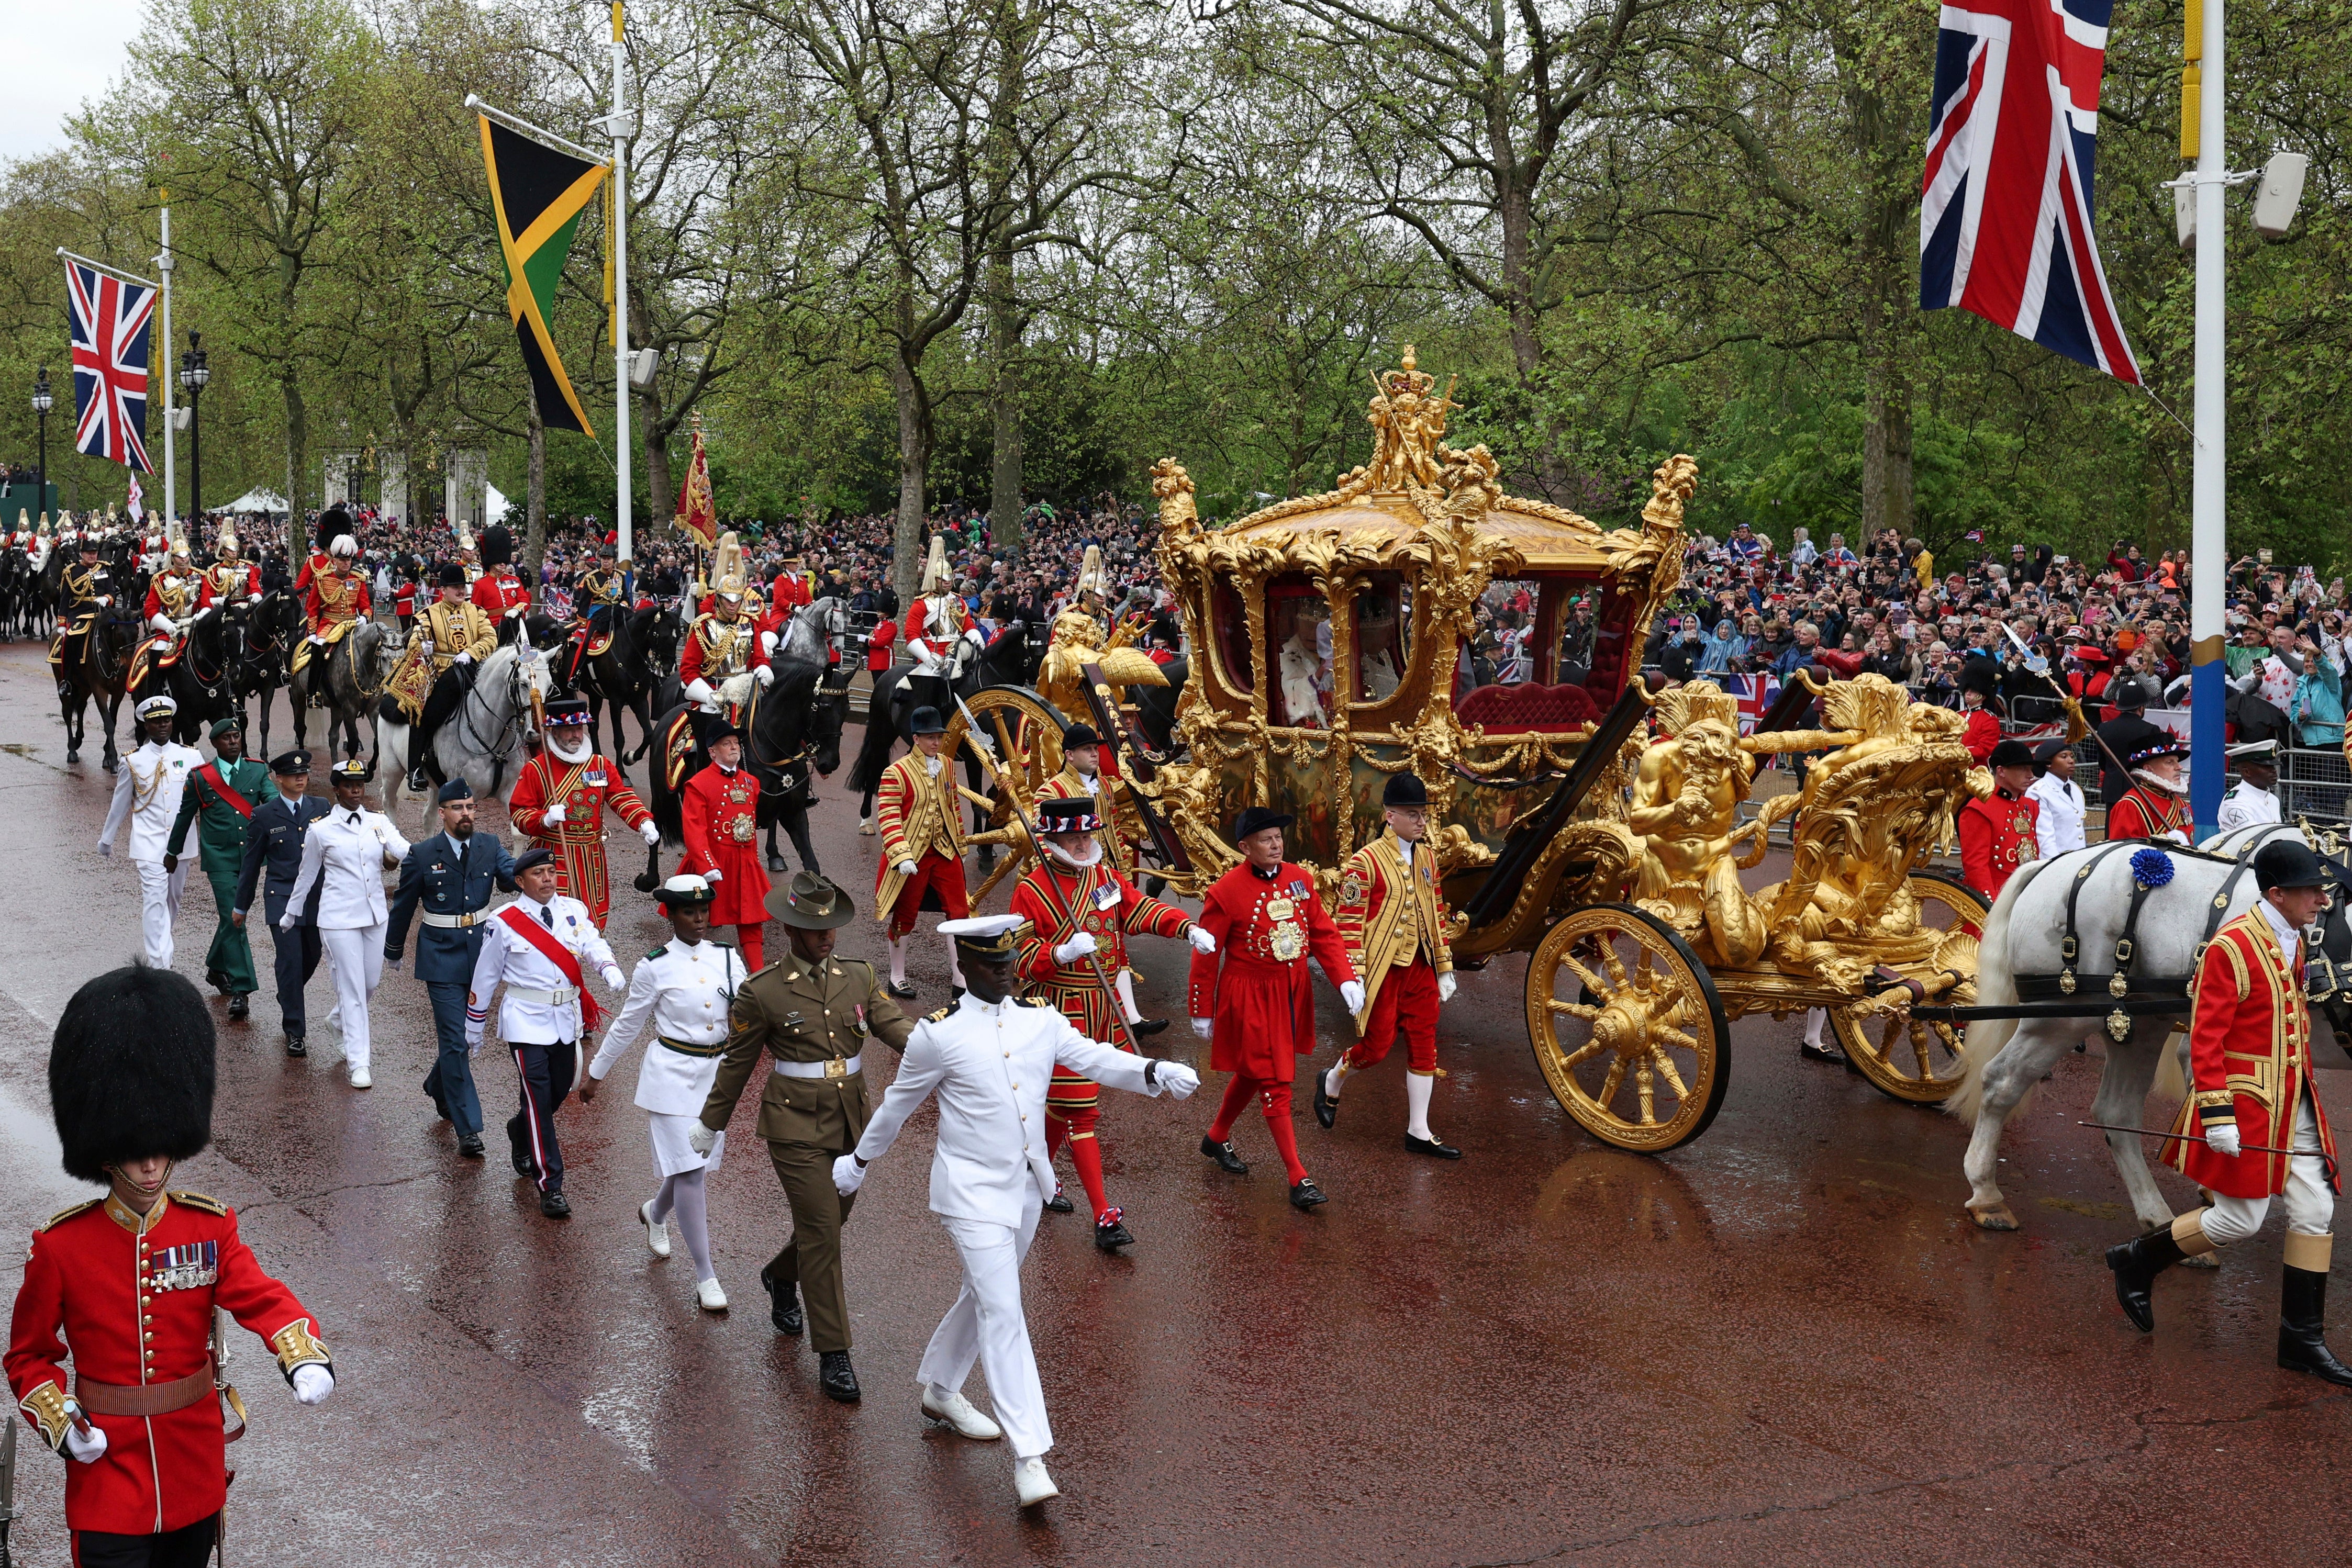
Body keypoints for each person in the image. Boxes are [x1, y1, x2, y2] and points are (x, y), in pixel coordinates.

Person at [834, 914, 1200, 1507]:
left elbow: (1095, 1058)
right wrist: (858, 1160)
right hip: (969, 1193)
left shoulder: (1040, 1018)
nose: (1005, 972)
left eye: (1009, 963)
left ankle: (941, 1390)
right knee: (1004, 1309)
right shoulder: (938, 1034)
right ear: (966, 964)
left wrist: (1153, 1070)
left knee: (985, 1295)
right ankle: (1030, 1455)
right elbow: (897, 1106)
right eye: (992, 964)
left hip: (1028, 1185)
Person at [4, 966, 337, 1565]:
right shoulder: (61, 1246)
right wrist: (62, 1422)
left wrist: (300, 1351)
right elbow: (28, 1355)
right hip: (107, 1474)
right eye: (136, 1154)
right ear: (107, 1156)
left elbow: (258, 1294)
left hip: (193, 1468)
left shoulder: (208, 1226)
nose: (152, 1167)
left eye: (161, 1150)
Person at [2104, 839, 2350, 1383]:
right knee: (2240, 1219)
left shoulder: (2292, 938)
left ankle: (2300, 1341)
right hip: (2246, 1102)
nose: (2320, 899)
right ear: (2276, 893)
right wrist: (2217, 1116)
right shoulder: (2231, 945)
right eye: (2310, 890)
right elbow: (2205, 1037)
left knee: (2314, 1211)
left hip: (2293, 1100)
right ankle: (2136, 1260)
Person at [691, 873, 916, 1398]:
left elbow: (895, 1028)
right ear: (790, 928)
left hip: (850, 1121)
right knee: (822, 1231)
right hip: (794, 1124)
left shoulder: (857, 975)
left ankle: (779, 1274)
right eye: (814, 929)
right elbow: (737, 1065)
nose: (825, 937)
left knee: (831, 1221)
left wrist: (944, 1051)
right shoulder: (762, 990)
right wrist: (710, 1123)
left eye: (831, 927)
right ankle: (834, 1352)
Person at [1010, 795, 1207, 1249]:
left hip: (1103, 1005)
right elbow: (1018, 959)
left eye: (1087, 836)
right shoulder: (1032, 889)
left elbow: (1137, 910)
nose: (1083, 844)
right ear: (1053, 840)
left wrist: (1185, 928)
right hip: (1059, 1009)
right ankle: (1103, 1215)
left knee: (1065, 1102)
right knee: (1081, 1109)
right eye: (1074, 838)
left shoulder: (1104, 877)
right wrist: (1058, 953)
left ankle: (1035, 1175)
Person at [586, 875, 751, 1313]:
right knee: (692, 1172)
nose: (699, 920)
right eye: (688, 912)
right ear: (671, 915)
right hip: (672, 1077)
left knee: (687, 1168)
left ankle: (655, 1212)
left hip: (716, 1076)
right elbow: (629, 1022)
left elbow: (751, 1013)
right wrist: (596, 1072)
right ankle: (705, 1275)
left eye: (703, 911)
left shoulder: (730, 959)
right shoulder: (653, 966)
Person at [1188, 807, 1364, 1209]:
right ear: (1244, 847)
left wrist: (1345, 979)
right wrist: (1201, 1007)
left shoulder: (1300, 880)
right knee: (1274, 1080)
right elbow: (1205, 953)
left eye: (1278, 838)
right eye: (1266, 839)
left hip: (1289, 990)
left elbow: (1323, 933)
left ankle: (1215, 1138)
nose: (1275, 845)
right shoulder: (1224, 891)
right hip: (1248, 993)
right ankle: (1297, 1176)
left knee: (1255, 1070)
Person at [466, 847, 626, 1218]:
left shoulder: (574, 910)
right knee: (539, 1101)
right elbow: (486, 975)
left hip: (565, 1020)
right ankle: (550, 1184)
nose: (548, 879)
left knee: (555, 1094)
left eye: (551, 872)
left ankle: (519, 1130)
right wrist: (474, 1026)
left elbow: (591, 942)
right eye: (538, 874)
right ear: (520, 882)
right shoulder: (504, 920)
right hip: (525, 1019)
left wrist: (607, 967)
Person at [1315, 772, 1461, 1157]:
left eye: (1423, 815)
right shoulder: (1365, 862)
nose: (1421, 822)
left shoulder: (1428, 857)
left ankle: (1418, 1129)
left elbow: (1436, 913)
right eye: (1412, 815)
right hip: (1382, 969)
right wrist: (1354, 977)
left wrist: (1444, 966)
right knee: (1376, 1048)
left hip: (1421, 966)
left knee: (1424, 1040)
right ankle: (1332, 1078)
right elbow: (1348, 924)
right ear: (1389, 816)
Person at [384, 779, 518, 1160]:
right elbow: (405, 905)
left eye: (471, 807)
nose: (466, 814)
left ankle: (437, 1084)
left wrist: (541, 852)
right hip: (440, 955)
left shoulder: (489, 846)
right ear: (441, 812)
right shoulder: (423, 854)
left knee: (460, 1038)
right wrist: (394, 949)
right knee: (458, 1040)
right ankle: (469, 1128)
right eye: (458, 808)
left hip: (482, 956)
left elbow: (512, 878)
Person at [283, 759, 409, 1089]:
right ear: (336, 789)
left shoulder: (378, 822)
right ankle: (359, 1062)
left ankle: (337, 1020)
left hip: (375, 916)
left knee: (369, 985)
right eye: (348, 785)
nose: (356, 790)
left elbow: (403, 850)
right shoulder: (320, 829)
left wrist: (436, 854)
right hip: (338, 919)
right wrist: (292, 913)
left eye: (360, 784)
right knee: (352, 989)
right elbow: (307, 875)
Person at [507, 697, 661, 928]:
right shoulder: (537, 769)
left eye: (579, 729)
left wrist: (643, 821)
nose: (576, 735)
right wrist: (544, 819)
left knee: (590, 923)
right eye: (569, 730)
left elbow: (621, 797)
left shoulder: (600, 765)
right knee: (552, 922)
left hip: (591, 857)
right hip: (552, 854)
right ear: (555, 733)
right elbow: (519, 814)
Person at [875, 706, 996, 998]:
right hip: (913, 854)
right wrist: (901, 853)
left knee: (959, 913)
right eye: (930, 738)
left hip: (944, 850)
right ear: (916, 739)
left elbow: (953, 805)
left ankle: (960, 978)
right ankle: (897, 975)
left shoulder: (947, 765)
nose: (936, 743)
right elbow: (889, 814)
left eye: (939, 737)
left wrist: (961, 843)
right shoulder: (896, 772)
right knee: (905, 915)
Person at [164, 715, 275, 1020]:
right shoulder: (201, 777)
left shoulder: (257, 770)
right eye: (227, 738)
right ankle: (241, 989)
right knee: (234, 918)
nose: (234, 742)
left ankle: (216, 966)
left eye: (237, 736)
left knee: (234, 916)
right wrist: (172, 852)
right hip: (221, 861)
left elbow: (273, 802)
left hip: (252, 859)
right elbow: (184, 817)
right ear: (214, 744)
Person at [233, 751, 333, 1056]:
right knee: (290, 961)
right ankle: (295, 1031)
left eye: (303, 774)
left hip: (317, 898)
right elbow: (251, 865)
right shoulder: (264, 816)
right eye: (292, 775)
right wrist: (241, 906)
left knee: (312, 956)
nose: (300, 779)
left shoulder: (322, 807)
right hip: (282, 898)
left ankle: (287, 994)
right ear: (279, 779)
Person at [97, 694, 201, 968]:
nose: (163, 726)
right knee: (154, 901)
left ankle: (162, 949)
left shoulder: (191, 756)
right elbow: (120, 803)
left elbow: (206, 799)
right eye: (156, 722)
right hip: (148, 843)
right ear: (146, 726)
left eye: (166, 720)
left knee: (172, 900)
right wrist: (107, 839)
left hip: (181, 845)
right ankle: (160, 967)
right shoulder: (133, 761)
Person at [677, 722, 773, 969]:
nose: (734, 748)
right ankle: (696, 972)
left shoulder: (752, 782)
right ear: (712, 751)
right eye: (726, 744)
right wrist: (707, 865)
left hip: (744, 860)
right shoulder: (698, 784)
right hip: (713, 860)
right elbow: (694, 829)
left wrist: (753, 859)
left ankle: (758, 975)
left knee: (751, 920)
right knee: (698, 922)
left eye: (736, 743)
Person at [679, 532, 761, 718]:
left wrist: (764, 669)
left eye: (737, 600)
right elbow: (688, 669)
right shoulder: (703, 627)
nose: (733, 605)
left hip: (746, 692)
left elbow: (759, 659)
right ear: (719, 599)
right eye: (728, 600)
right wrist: (709, 696)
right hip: (712, 689)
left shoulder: (750, 624)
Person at [1957, 738, 2041, 902]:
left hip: (2026, 892)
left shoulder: (2030, 806)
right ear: (2001, 771)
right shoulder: (1979, 808)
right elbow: (1976, 867)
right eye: (2023, 769)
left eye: (2030, 769)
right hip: (1997, 894)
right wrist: (1991, 904)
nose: (2030, 775)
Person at [2103, 737, 2194, 843]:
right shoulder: (2130, 806)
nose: (2179, 767)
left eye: (2177, 762)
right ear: (2148, 769)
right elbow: (2122, 855)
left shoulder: (2182, 804)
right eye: (2170, 762)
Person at [2025, 739, 2088, 858]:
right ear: (2048, 763)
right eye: (2064, 757)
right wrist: (2055, 866)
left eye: (2072, 756)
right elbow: (2044, 838)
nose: (2071, 761)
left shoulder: (2075, 789)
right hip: (2056, 862)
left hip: (2080, 860)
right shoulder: (2039, 792)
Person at [470, 523, 531, 644]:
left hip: (515, 627)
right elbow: (476, 612)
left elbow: (525, 601)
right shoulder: (481, 585)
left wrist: (516, 610)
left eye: (504, 561)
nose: (503, 564)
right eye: (499, 562)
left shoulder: (515, 580)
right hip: (492, 630)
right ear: (491, 562)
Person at [2214, 739, 2283, 833]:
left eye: (2273, 766)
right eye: (2266, 767)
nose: (2274, 770)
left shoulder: (2273, 800)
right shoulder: (2235, 802)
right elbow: (2256, 836)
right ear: (2246, 772)